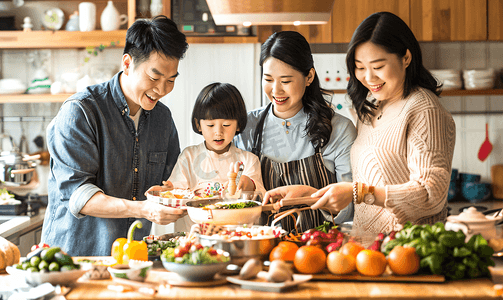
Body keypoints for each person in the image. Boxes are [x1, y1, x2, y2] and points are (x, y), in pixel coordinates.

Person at [264, 12, 456, 234]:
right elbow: (368, 188)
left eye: (378, 66)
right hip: (370, 252)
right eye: (360, 67)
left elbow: (431, 194)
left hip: (409, 252)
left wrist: (358, 192)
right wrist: (311, 194)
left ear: (406, 58)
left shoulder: (424, 110)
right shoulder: (371, 105)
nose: (369, 77)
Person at [40, 16, 189, 256]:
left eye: (170, 80)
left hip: (133, 259)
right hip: (74, 259)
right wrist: (144, 209)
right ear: (127, 64)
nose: (162, 90)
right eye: (154, 78)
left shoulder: (162, 119)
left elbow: (169, 184)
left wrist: (173, 192)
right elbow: (79, 196)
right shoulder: (81, 112)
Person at [234, 31, 357, 233]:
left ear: (309, 76)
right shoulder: (246, 126)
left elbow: (352, 206)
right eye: (268, 79)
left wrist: (311, 195)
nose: (276, 90)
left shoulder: (338, 129)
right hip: (259, 248)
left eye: (286, 80)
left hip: (320, 250)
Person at [149, 82, 266, 231]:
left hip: (235, 237)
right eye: (210, 125)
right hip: (193, 237)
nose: (218, 132)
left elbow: (260, 198)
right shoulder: (189, 156)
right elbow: (177, 191)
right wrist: (166, 190)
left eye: (226, 125)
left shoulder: (249, 160)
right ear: (198, 125)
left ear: (238, 125)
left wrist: (247, 183)